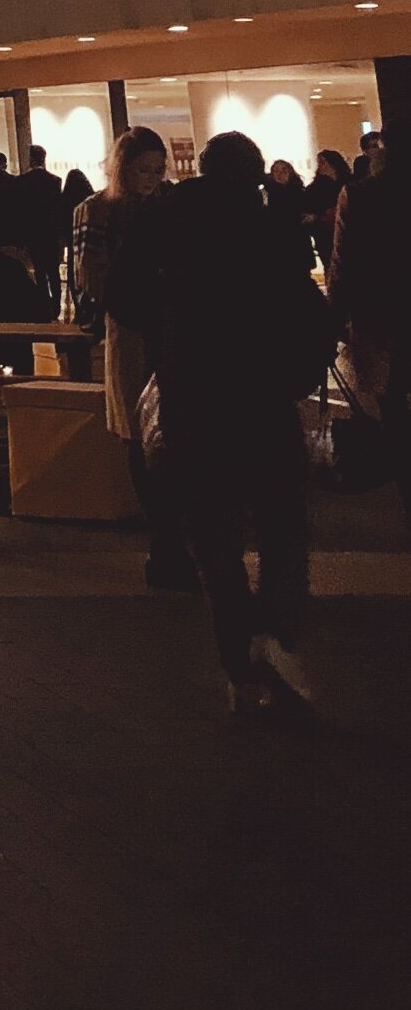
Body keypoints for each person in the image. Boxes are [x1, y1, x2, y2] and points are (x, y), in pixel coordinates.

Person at [111, 131, 331, 713]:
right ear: (256, 174)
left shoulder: (166, 223)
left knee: (216, 541)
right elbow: (310, 312)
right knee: (284, 526)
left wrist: (169, 328)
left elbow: (123, 299)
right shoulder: (271, 224)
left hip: (193, 398)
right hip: (264, 398)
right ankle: (278, 632)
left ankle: (241, 666)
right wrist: (297, 374)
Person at [71, 126, 187, 586]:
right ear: (123, 167)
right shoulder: (97, 211)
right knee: (139, 435)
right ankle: (164, 535)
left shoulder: (169, 206)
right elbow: (90, 276)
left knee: (168, 433)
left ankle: (168, 538)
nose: (152, 178)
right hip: (130, 329)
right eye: (144, 169)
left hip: (168, 331)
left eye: (159, 170)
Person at [329, 130, 408, 524]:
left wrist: (332, 319)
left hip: (379, 317)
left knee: (393, 408)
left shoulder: (360, 195)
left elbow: (343, 264)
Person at [11, 146, 68, 314]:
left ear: (31, 159)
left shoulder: (22, 181)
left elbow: (21, 211)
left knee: (40, 271)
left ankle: (44, 303)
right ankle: (56, 304)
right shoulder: (55, 180)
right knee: (53, 271)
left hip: (33, 232)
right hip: (50, 233)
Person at [304, 148, 351, 274]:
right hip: (325, 233)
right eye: (319, 162)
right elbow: (309, 209)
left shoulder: (348, 183)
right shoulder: (314, 189)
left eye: (324, 162)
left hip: (347, 230)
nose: (321, 165)